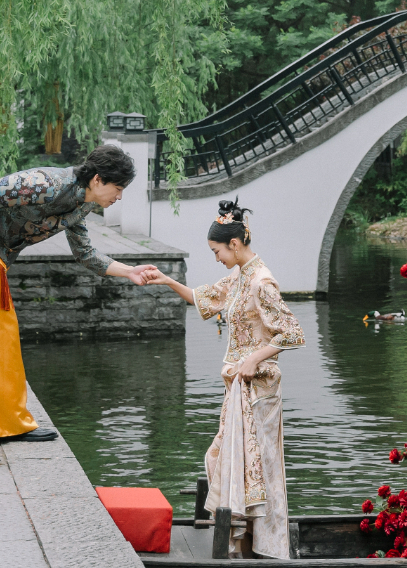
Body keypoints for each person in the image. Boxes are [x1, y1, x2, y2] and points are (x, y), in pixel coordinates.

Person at [0, 143, 160, 442]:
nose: (120, 196)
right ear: (98, 179)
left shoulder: (82, 205)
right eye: (118, 188)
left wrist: (129, 271)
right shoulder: (47, 183)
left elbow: (85, 254)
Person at [149, 202, 304, 559]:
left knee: (258, 466)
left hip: (259, 389)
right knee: (227, 461)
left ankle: (259, 547)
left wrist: (253, 358)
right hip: (238, 387)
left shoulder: (261, 281)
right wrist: (167, 281)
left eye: (216, 251)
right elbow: (204, 300)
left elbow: (292, 332)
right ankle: (244, 546)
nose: (216, 258)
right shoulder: (238, 277)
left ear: (234, 243)